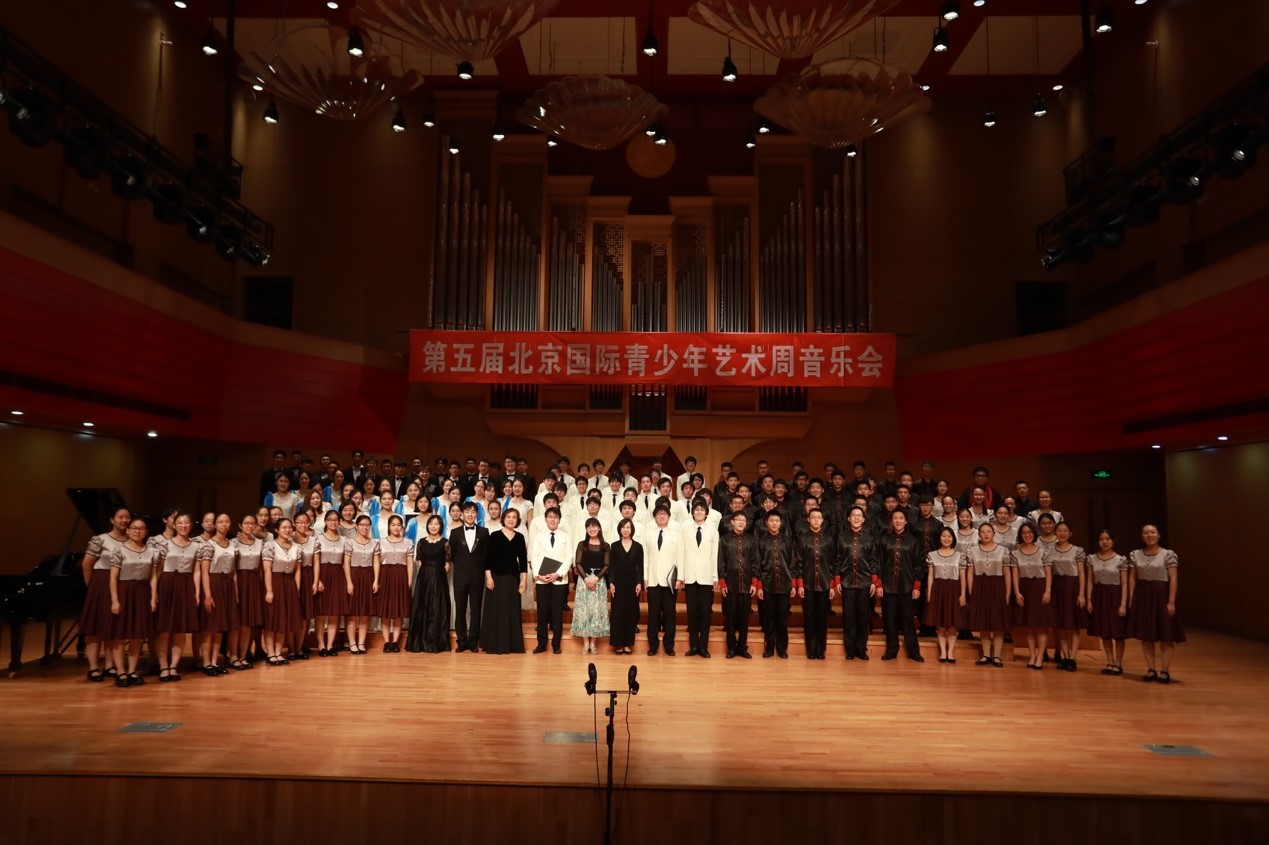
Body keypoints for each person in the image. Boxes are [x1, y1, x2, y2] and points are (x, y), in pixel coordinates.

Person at [1127, 524, 1184, 683]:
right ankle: (1151, 669)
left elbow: (1173, 579)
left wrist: (1171, 601)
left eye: (1153, 532)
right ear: (1142, 536)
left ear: (1159, 535)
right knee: (1146, 635)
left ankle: (1164, 671)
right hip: (1143, 595)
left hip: (1161, 594)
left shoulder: (1168, 554)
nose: (1149, 535)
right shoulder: (1135, 554)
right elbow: (1132, 578)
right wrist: (1131, 599)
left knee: (1166, 635)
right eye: (1146, 532)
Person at [79, 506, 129, 682]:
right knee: (95, 628)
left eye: (127, 517)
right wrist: (92, 586)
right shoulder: (100, 540)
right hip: (101, 583)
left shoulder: (131, 540)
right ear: (112, 519)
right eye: (120, 517)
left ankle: (109, 665)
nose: (124, 520)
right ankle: (93, 667)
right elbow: (86, 564)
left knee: (114, 627)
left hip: (121, 584)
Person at [107, 518, 159, 687]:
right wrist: (115, 600)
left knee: (137, 635)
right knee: (120, 635)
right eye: (134, 528)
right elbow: (113, 577)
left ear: (146, 532)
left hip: (142, 592)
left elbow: (153, 577)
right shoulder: (119, 550)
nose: (137, 531)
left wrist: (153, 597)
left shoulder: (152, 551)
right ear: (128, 530)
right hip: (124, 592)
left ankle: (132, 671)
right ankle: (120, 672)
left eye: (141, 528)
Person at [152, 511, 202, 682]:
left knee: (180, 630)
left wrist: (197, 593)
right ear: (174, 525)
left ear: (191, 525)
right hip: (167, 585)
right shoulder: (164, 544)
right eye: (179, 522)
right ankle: (163, 666)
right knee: (164, 630)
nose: (183, 525)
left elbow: (196, 571)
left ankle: (174, 666)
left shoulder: (197, 546)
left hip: (186, 586)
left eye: (186, 522)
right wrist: (155, 593)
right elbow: (157, 571)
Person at [876, 509, 926, 663]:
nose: (898, 521)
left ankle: (913, 651)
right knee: (889, 620)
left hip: (907, 586)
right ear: (891, 521)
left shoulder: (913, 541)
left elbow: (919, 565)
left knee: (908, 620)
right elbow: (878, 562)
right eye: (895, 518)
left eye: (901, 518)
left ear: (906, 521)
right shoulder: (884, 539)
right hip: (888, 585)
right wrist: (879, 584)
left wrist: (916, 586)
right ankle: (891, 650)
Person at [964, 522, 1012, 667]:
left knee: (998, 622)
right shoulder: (972, 550)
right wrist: (972, 592)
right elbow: (970, 573)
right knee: (983, 622)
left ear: (994, 534)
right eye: (983, 532)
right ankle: (986, 655)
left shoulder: (1003, 550)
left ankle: (997, 656)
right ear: (979, 535)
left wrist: (1007, 593)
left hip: (998, 586)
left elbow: (1007, 574)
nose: (986, 534)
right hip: (979, 586)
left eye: (988, 531)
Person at [480, 509, 528, 654]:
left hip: (513, 578)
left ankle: (512, 644)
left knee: (511, 610)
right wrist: (488, 577)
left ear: (517, 520)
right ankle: (494, 644)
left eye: (514, 517)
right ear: (503, 519)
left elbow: (523, 562)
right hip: (496, 577)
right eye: (508, 517)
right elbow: (487, 559)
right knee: (496, 609)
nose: (511, 519)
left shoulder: (519, 537)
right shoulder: (494, 535)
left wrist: (524, 580)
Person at [836, 506, 879, 660]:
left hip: (864, 582)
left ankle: (861, 648)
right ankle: (850, 649)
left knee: (863, 617)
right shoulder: (842, 537)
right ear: (848, 519)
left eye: (859, 515)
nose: (856, 518)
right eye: (853, 515)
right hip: (847, 582)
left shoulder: (869, 538)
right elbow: (838, 559)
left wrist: (874, 581)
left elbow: (874, 560)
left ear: (863, 519)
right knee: (849, 618)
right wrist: (837, 580)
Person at [793, 508, 836, 660]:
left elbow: (832, 564)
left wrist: (831, 585)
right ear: (808, 520)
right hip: (808, 583)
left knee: (822, 617)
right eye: (813, 517)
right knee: (809, 617)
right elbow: (799, 562)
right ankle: (811, 649)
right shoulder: (802, 539)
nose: (816, 520)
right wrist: (800, 584)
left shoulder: (828, 539)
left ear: (822, 520)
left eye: (819, 517)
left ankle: (820, 649)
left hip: (824, 583)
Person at [1011, 522, 1054, 670]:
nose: (1027, 535)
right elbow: (1015, 574)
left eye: (1029, 532)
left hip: (1040, 588)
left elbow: (1048, 572)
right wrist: (1017, 592)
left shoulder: (1043, 552)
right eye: (1024, 533)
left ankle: (1040, 656)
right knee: (1029, 626)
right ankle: (1032, 655)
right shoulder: (1015, 554)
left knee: (1041, 626)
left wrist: (1047, 591)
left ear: (1034, 534)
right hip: (1024, 588)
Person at [1086, 528, 1129, 676]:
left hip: (1115, 595)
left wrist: (1123, 604)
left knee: (1118, 632)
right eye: (1102, 539)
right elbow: (1090, 581)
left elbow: (1125, 584)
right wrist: (1089, 600)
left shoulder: (1121, 559)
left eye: (1108, 539)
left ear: (1113, 541)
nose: (1104, 542)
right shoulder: (1092, 558)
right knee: (1104, 631)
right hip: (1099, 595)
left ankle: (1119, 664)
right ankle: (1110, 662)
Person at [447, 502, 489, 653]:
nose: (470, 514)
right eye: (467, 511)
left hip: (477, 577)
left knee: (476, 610)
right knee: (460, 610)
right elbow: (451, 556)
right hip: (460, 577)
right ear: (462, 514)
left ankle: (473, 641)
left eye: (473, 512)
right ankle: (461, 641)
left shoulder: (484, 532)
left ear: (477, 514)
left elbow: (486, 556)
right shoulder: (454, 533)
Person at [679, 500, 719, 658]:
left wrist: (715, 575)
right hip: (690, 577)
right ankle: (693, 645)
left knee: (705, 613)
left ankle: (703, 647)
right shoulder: (685, 530)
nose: (699, 512)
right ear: (693, 513)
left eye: (702, 510)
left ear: (706, 513)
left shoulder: (713, 531)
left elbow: (715, 555)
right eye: (696, 510)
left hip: (706, 577)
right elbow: (681, 553)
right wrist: (681, 576)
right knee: (691, 613)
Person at [407, 515, 452, 653]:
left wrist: (439, 574)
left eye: (436, 524)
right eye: (431, 524)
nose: (433, 526)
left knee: (438, 607)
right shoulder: (421, 542)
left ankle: (436, 642)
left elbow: (448, 562)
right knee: (422, 607)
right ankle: (420, 642)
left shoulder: (445, 542)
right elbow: (419, 561)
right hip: (424, 578)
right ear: (427, 526)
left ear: (441, 526)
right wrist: (427, 573)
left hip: (439, 577)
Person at [198, 513, 237, 676]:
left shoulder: (232, 544)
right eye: (220, 522)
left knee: (220, 626)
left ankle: (215, 661)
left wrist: (236, 593)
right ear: (215, 525)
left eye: (227, 521)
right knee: (210, 627)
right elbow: (204, 572)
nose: (224, 524)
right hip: (213, 584)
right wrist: (207, 595)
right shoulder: (208, 545)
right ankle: (206, 662)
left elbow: (233, 571)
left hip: (227, 585)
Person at [261, 518, 303, 666]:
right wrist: (269, 591)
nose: (287, 530)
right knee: (272, 619)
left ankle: (279, 652)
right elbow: (267, 569)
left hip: (289, 584)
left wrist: (296, 589)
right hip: (275, 582)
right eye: (284, 527)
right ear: (277, 530)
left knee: (283, 620)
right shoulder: (270, 546)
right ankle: (270, 653)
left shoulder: (296, 547)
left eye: (289, 527)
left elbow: (297, 570)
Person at [529, 507, 571, 654]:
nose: (552, 519)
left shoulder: (566, 536)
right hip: (542, 579)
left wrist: (558, 573)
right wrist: (538, 575)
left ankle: (556, 644)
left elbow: (569, 557)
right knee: (542, 612)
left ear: (559, 520)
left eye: (555, 517)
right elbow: (534, 556)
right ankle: (541, 643)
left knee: (557, 613)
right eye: (550, 517)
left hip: (559, 580)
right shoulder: (539, 536)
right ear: (546, 519)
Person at [1047, 522, 1087, 672]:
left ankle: (1073, 658)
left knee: (1073, 624)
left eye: (1065, 531)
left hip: (1072, 587)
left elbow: (1081, 573)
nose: (1062, 533)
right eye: (1059, 531)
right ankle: (1065, 656)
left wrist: (1081, 594)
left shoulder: (1077, 550)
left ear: (1070, 533)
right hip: (1057, 587)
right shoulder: (1049, 550)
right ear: (1055, 533)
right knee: (1060, 625)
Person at [754, 510, 794, 659]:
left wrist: (793, 583)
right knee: (768, 618)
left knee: (782, 619)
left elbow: (792, 563)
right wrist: (759, 586)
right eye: (771, 521)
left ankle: (782, 648)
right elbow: (757, 565)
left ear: (781, 523)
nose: (774, 523)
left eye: (777, 521)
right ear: (766, 522)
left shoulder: (788, 541)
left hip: (784, 584)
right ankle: (769, 647)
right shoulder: (761, 541)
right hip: (767, 584)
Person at [643, 505, 683, 656]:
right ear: (654, 517)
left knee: (669, 614)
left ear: (669, 517)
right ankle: (653, 645)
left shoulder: (676, 535)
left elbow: (680, 557)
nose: (661, 516)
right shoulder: (649, 534)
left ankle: (668, 645)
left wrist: (680, 577)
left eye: (664, 514)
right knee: (653, 614)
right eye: (659, 514)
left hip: (670, 581)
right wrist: (645, 577)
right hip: (653, 579)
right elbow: (646, 557)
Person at [923, 527, 967, 664]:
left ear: (953, 538)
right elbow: (930, 576)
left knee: (953, 623)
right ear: (939, 538)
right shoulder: (932, 555)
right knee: (940, 623)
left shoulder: (960, 555)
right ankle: (943, 652)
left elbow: (963, 576)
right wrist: (929, 593)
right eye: (943, 536)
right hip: (938, 589)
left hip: (954, 589)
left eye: (949, 536)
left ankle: (951, 652)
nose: (946, 539)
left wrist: (963, 594)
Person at [717, 511, 757, 659]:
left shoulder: (751, 540)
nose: (741, 522)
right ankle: (731, 647)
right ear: (732, 522)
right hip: (730, 585)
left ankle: (742, 646)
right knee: (730, 618)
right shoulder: (724, 540)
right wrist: (723, 583)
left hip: (746, 584)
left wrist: (754, 583)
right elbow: (721, 561)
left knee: (744, 618)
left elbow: (755, 562)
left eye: (743, 520)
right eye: (738, 519)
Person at [313, 510, 352, 656]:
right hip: (323, 574)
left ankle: (330, 645)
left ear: (339, 522)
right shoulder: (318, 539)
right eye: (330, 519)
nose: (333, 522)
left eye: (336, 520)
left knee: (334, 612)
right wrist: (317, 580)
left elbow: (345, 563)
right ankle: (321, 645)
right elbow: (315, 562)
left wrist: (348, 582)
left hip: (338, 576)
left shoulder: (344, 540)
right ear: (325, 521)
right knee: (321, 613)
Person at [571, 518, 611, 654]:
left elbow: (606, 565)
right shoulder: (582, 544)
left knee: (596, 612)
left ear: (599, 528)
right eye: (589, 527)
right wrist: (587, 579)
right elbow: (578, 563)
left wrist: (596, 579)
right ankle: (585, 642)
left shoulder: (606, 546)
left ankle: (593, 642)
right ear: (586, 529)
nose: (592, 529)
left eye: (594, 526)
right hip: (584, 582)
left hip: (599, 582)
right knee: (584, 611)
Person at [230, 515, 265, 669]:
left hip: (254, 582)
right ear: (240, 525)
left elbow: (262, 568)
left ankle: (243, 655)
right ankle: (233, 655)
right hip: (239, 580)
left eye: (252, 523)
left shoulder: (260, 543)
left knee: (248, 623)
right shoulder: (233, 543)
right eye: (246, 523)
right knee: (237, 622)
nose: (250, 526)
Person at [375, 515, 414, 652]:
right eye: (393, 525)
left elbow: (410, 563)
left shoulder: (408, 542)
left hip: (401, 576)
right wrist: (377, 580)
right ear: (388, 526)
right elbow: (377, 562)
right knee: (385, 611)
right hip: (385, 576)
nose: (396, 527)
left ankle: (396, 642)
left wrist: (409, 581)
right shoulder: (380, 542)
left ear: (402, 527)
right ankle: (387, 642)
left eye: (398, 525)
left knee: (399, 611)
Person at [608, 517, 644, 655]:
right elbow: (612, 566)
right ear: (619, 529)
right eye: (623, 527)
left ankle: (628, 643)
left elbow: (640, 566)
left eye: (628, 527)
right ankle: (618, 643)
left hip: (633, 584)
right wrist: (611, 582)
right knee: (618, 613)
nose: (625, 529)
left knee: (630, 612)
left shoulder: (638, 546)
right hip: (618, 583)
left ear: (632, 529)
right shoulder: (614, 546)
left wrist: (639, 582)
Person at [345, 516, 379, 654]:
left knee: (365, 612)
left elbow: (376, 562)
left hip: (368, 576)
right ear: (356, 526)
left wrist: (376, 580)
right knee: (352, 613)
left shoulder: (374, 543)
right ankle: (352, 643)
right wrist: (349, 582)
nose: (365, 527)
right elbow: (346, 562)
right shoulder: (350, 542)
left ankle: (361, 643)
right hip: (354, 575)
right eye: (362, 525)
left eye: (367, 525)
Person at [292, 511, 316, 659]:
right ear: (294, 523)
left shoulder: (313, 540)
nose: (302, 525)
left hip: (307, 576)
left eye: (305, 522)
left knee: (305, 614)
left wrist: (316, 580)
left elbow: (316, 563)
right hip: (290, 577)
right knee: (292, 613)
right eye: (299, 522)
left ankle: (299, 648)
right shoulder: (288, 538)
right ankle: (291, 649)